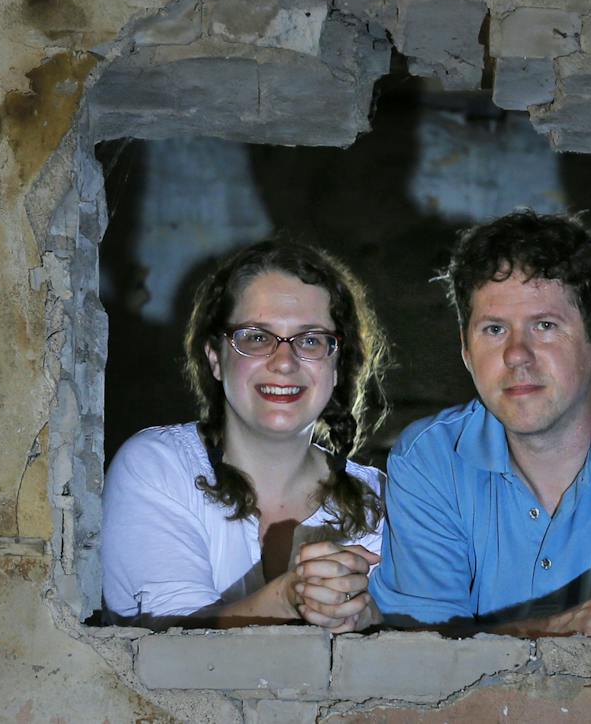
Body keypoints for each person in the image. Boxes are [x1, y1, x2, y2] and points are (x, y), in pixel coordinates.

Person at [369, 210, 591, 637]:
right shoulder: (429, 459)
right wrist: (560, 629)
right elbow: (419, 656)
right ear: (466, 351)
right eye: (495, 329)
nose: (517, 354)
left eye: (545, 326)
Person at [103, 238, 391, 630]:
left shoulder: (379, 501)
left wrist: (371, 618)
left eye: (310, 340)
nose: (284, 363)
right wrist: (290, 598)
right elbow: (166, 651)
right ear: (215, 358)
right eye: (257, 337)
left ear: (337, 366)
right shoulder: (157, 466)